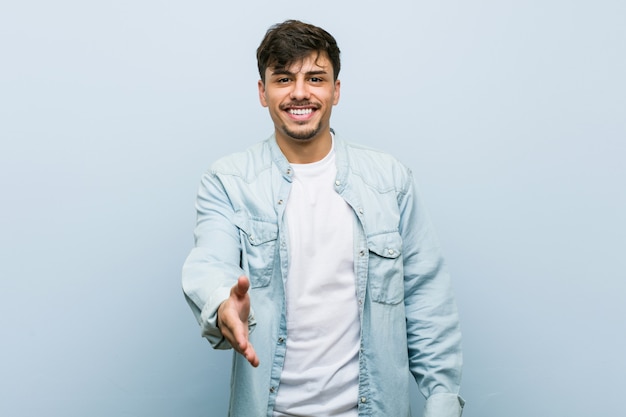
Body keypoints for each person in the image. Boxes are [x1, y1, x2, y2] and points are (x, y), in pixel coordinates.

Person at [182, 19, 464, 417]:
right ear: (263, 92)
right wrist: (222, 306)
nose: (300, 93)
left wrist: (442, 401)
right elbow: (210, 261)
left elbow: (427, 298)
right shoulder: (228, 181)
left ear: (336, 90)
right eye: (283, 79)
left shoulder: (390, 181)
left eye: (315, 78)